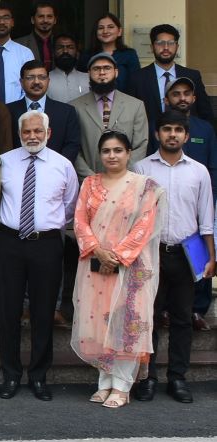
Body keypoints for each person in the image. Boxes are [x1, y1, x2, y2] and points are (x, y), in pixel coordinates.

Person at [71, 131, 164, 409]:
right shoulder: (90, 183)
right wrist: (98, 251)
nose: (112, 156)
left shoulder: (145, 186)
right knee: (98, 322)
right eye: (107, 151)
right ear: (100, 154)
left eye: (118, 150)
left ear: (129, 153)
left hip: (130, 267)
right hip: (95, 263)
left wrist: (118, 256)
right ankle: (104, 382)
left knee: (124, 324)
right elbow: (79, 221)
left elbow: (145, 225)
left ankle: (122, 386)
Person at [131, 111, 215, 404]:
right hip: (151, 252)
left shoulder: (199, 171)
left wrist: (211, 257)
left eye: (178, 130)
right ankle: (148, 377)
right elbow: (135, 215)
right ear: (157, 134)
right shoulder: (141, 169)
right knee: (148, 318)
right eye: (167, 129)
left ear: (186, 136)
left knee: (181, 318)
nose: (172, 134)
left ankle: (177, 378)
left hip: (185, 253)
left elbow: (206, 218)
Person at [0, 110, 78, 401]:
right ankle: (11, 374)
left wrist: (45, 227)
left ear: (48, 133)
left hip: (46, 244)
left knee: (43, 312)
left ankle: (39, 376)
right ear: (20, 134)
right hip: (9, 242)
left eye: (37, 132)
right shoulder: (4, 161)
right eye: (27, 132)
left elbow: (69, 206)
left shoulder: (63, 165)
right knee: (9, 310)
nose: (32, 137)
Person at [164, 78, 217, 329]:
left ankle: (198, 309)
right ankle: (163, 309)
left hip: (201, 201)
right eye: (176, 94)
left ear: (194, 99)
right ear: (167, 99)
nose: (182, 98)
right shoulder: (162, 127)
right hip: (169, 205)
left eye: (187, 94)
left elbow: (213, 167)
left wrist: (210, 203)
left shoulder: (205, 128)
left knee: (201, 254)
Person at [70, 53, 148, 178]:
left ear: (116, 72)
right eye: (96, 69)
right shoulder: (74, 107)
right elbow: (73, 148)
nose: (102, 72)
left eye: (107, 68)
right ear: (89, 74)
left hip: (126, 182)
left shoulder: (135, 105)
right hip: (88, 182)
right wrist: (91, 178)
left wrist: (121, 175)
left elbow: (140, 145)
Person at [125, 24, 213, 132]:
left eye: (171, 43)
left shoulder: (192, 76)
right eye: (160, 43)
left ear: (177, 47)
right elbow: (130, 115)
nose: (166, 48)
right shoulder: (137, 78)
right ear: (152, 47)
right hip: (150, 139)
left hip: (188, 138)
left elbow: (206, 113)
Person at [7, 60, 81, 161]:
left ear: (48, 81)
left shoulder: (66, 112)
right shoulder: (8, 111)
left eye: (42, 77)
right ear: (21, 82)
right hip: (17, 171)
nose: (36, 82)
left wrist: (55, 167)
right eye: (30, 78)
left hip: (56, 171)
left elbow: (72, 145)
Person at [80, 14, 139, 92]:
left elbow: (136, 83)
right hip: (92, 101)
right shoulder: (87, 55)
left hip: (124, 101)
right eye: (101, 28)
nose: (105, 31)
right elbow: (81, 82)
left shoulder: (129, 54)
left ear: (119, 31)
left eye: (110, 27)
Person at [13, 2, 57, 72]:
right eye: (41, 16)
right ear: (33, 20)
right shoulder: (17, 44)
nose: (45, 20)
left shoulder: (61, 44)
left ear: (55, 20)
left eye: (49, 16)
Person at [47, 34, 89, 103]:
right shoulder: (44, 80)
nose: (65, 51)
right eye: (60, 47)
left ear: (77, 53)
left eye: (70, 47)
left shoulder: (88, 79)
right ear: (53, 53)